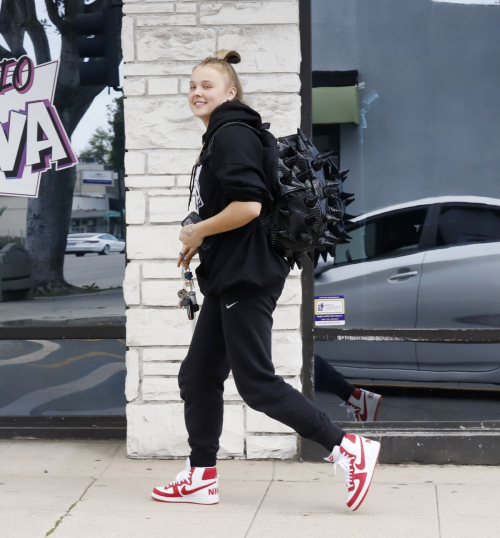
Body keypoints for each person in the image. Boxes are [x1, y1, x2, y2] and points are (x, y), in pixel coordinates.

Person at [150, 49, 381, 512]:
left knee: (256, 383)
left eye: (207, 85)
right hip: (231, 273)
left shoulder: (231, 134)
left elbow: (248, 206)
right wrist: (203, 238)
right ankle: (201, 476)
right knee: (198, 375)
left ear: (230, 92)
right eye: (192, 85)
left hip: (245, 276)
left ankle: (347, 448)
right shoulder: (228, 133)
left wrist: (197, 230)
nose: (197, 92)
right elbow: (238, 209)